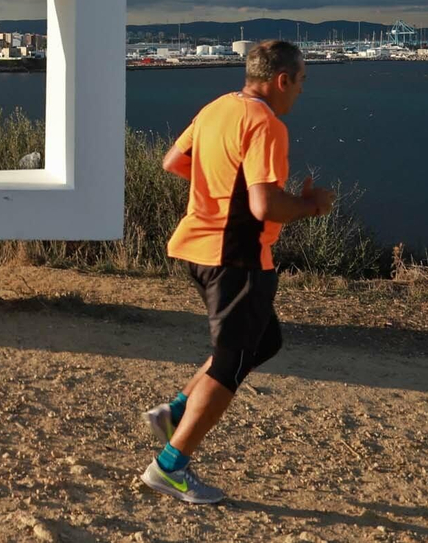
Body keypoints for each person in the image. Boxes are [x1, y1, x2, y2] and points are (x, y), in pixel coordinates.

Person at [138, 40, 336, 504]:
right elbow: (265, 205)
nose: (301, 91)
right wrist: (312, 205)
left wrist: (222, 189)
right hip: (237, 258)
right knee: (232, 361)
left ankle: (176, 412)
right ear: (282, 79)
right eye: (302, 81)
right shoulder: (266, 124)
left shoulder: (217, 108)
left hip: (201, 246)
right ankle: (170, 466)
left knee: (264, 341)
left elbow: (174, 162)